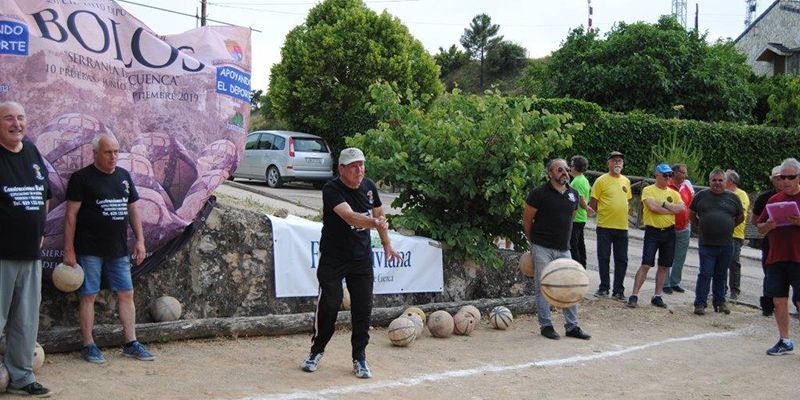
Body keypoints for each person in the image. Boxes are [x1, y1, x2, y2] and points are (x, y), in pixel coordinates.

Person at [301, 148, 401, 378]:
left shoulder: (369, 186)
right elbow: (349, 216)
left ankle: (360, 358)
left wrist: (386, 244)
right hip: (333, 258)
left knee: (363, 309)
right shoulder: (332, 189)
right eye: (354, 166)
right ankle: (316, 351)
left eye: (362, 165)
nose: (360, 170)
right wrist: (374, 222)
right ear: (342, 169)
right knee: (330, 303)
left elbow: (379, 213)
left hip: (361, 259)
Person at [63, 134, 153, 364]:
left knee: (126, 293)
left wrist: (140, 241)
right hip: (89, 249)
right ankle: (89, 345)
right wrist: (69, 249)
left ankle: (131, 342)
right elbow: (70, 215)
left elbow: (133, 210)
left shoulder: (123, 177)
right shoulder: (81, 178)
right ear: (95, 153)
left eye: (116, 152)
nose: (113, 157)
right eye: (107, 152)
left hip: (118, 249)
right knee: (89, 295)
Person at [0, 101, 52, 397]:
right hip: (2, 254)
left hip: (30, 254)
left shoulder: (32, 152)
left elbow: (44, 193)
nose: (16, 124)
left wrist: (41, 229)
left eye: (21, 118)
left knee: (26, 320)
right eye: (8, 118)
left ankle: (21, 377)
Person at [523, 158, 591, 340]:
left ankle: (572, 326)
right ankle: (546, 325)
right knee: (543, 287)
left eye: (566, 169)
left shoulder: (573, 194)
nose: (564, 172)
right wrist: (533, 243)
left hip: (563, 248)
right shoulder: (538, 193)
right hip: (542, 247)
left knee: (569, 285)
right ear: (550, 173)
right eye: (559, 169)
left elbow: (572, 217)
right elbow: (527, 220)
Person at [756, 157, 800, 356]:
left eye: (791, 177)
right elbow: (760, 227)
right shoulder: (773, 200)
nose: (787, 181)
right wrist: (767, 226)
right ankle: (785, 340)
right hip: (777, 256)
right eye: (783, 177)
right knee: (778, 300)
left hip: (798, 257)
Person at [628, 164, 684, 308]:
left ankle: (657, 295)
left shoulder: (674, 193)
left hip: (669, 231)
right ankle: (634, 294)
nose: (667, 178)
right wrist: (671, 210)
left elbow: (681, 208)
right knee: (646, 263)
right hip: (653, 231)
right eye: (665, 175)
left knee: (664, 265)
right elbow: (652, 207)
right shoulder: (648, 190)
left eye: (669, 175)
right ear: (657, 175)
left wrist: (664, 204)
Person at [690, 169, 744, 316]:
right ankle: (700, 303)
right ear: (709, 181)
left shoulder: (733, 198)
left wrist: (727, 226)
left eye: (720, 180)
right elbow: (692, 214)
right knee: (705, 273)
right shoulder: (701, 196)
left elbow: (740, 217)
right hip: (706, 244)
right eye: (714, 180)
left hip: (726, 244)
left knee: (721, 275)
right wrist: (701, 228)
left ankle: (720, 303)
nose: (717, 183)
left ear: (726, 182)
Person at [589, 151, 632, 301]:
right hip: (605, 225)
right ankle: (604, 287)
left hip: (622, 226)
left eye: (620, 161)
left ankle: (619, 290)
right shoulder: (601, 181)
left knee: (622, 259)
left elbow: (627, 200)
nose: (617, 163)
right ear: (608, 163)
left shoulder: (626, 181)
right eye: (614, 161)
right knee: (603, 257)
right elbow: (593, 202)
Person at [752, 166, 782, 316]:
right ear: (772, 179)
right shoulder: (766, 198)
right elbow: (756, 220)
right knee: (770, 273)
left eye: (782, 177)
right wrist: (767, 224)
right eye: (776, 178)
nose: (780, 181)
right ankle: (768, 306)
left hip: (794, 242)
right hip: (771, 241)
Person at [663, 163, 694, 294]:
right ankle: (665, 283)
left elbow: (691, 204)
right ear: (675, 173)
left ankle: (675, 281)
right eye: (683, 172)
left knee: (680, 257)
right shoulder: (667, 186)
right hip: (670, 226)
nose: (685, 175)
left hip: (684, 227)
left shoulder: (686, 186)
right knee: (667, 255)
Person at [724, 170, 749, 300]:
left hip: (735, 234)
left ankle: (734, 290)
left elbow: (741, 214)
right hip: (721, 233)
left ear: (731, 181)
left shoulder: (741, 195)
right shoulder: (722, 193)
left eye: (724, 179)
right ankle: (721, 289)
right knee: (721, 262)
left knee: (733, 262)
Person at [569, 155, 593, 268]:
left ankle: (576, 266)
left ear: (574, 167)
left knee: (573, 244)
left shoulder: (577, 182)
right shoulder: (584, 180)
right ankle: (582, 265)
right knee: (579, 243)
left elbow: (580, 198)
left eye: (571, 165)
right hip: (581, 217)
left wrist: (586, 208)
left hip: (576, 217)